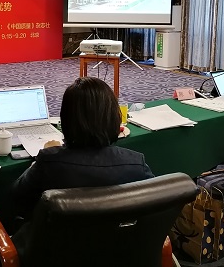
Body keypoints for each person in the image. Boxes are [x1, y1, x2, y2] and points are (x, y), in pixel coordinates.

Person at [10, 77, 153, 259]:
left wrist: (42, 157)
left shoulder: (50, 162)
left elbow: (17, 197)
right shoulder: (136, 163)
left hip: (54, 255)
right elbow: (155, 206)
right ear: (114, 118)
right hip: (117, 253)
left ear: (66, 120)